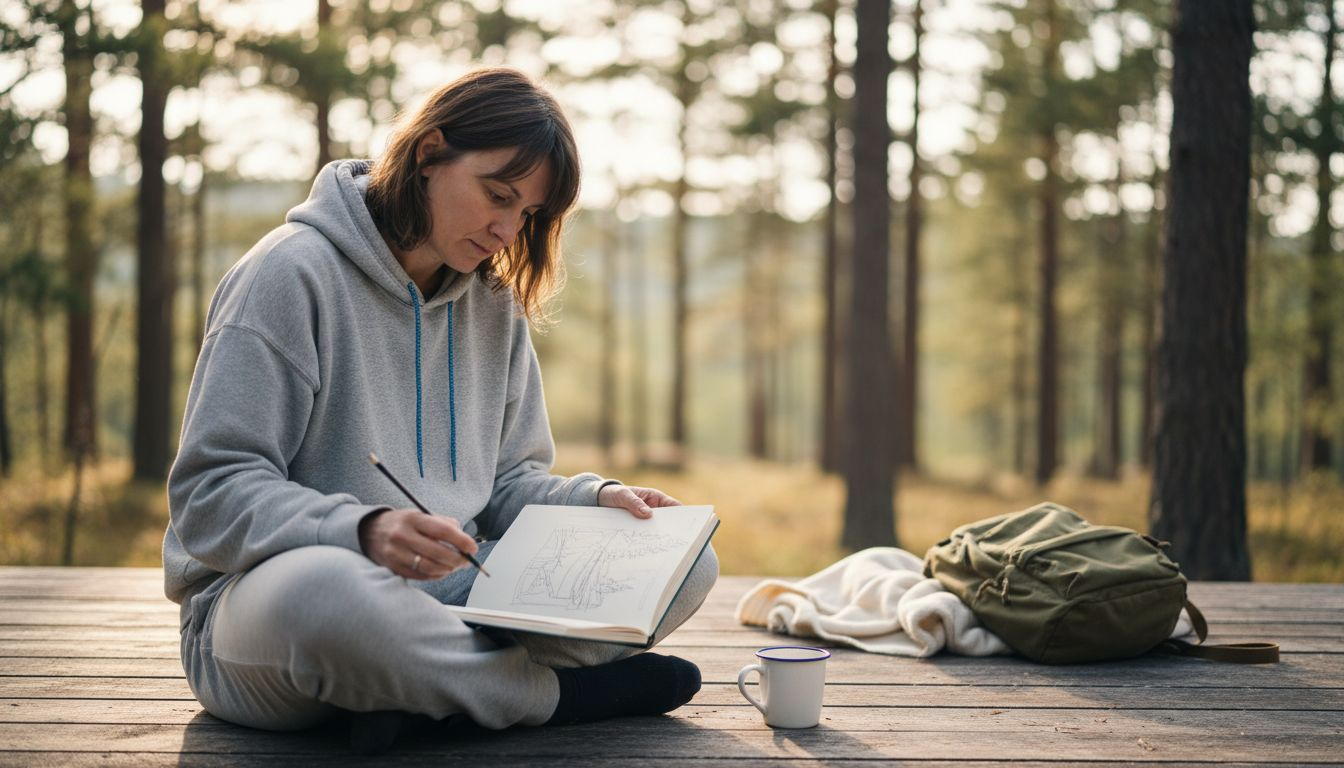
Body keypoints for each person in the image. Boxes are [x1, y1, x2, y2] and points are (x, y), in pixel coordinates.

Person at [163, 67, 718, 751]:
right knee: (331, 597)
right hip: (270, 612)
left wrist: (594, 499)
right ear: (429, 153)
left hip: (453, 596)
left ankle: (421, 693)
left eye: (528, 214)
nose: (507, 230)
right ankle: (551, 698)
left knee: (685, 561)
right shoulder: (288, 274)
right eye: (498, 195)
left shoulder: (492, 306)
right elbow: (209, 496)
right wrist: (362, 530)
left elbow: (508, 484)